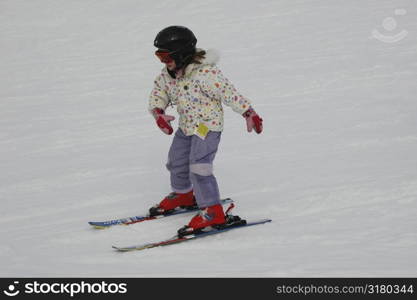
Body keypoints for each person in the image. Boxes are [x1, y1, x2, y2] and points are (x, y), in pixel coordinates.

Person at [148, 26, 263, 236]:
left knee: (199, 167)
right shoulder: (168, 74)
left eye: (165, 56)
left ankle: (213, 211)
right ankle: (183, 194)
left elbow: (229, 93)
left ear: (180, 53)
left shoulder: (206, 73)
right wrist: (158, 111)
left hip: (206, 127)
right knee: (176, 161)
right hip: (187, 126)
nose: (163, 62)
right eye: (159, 57)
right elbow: (159, 92)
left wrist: (249, 112)